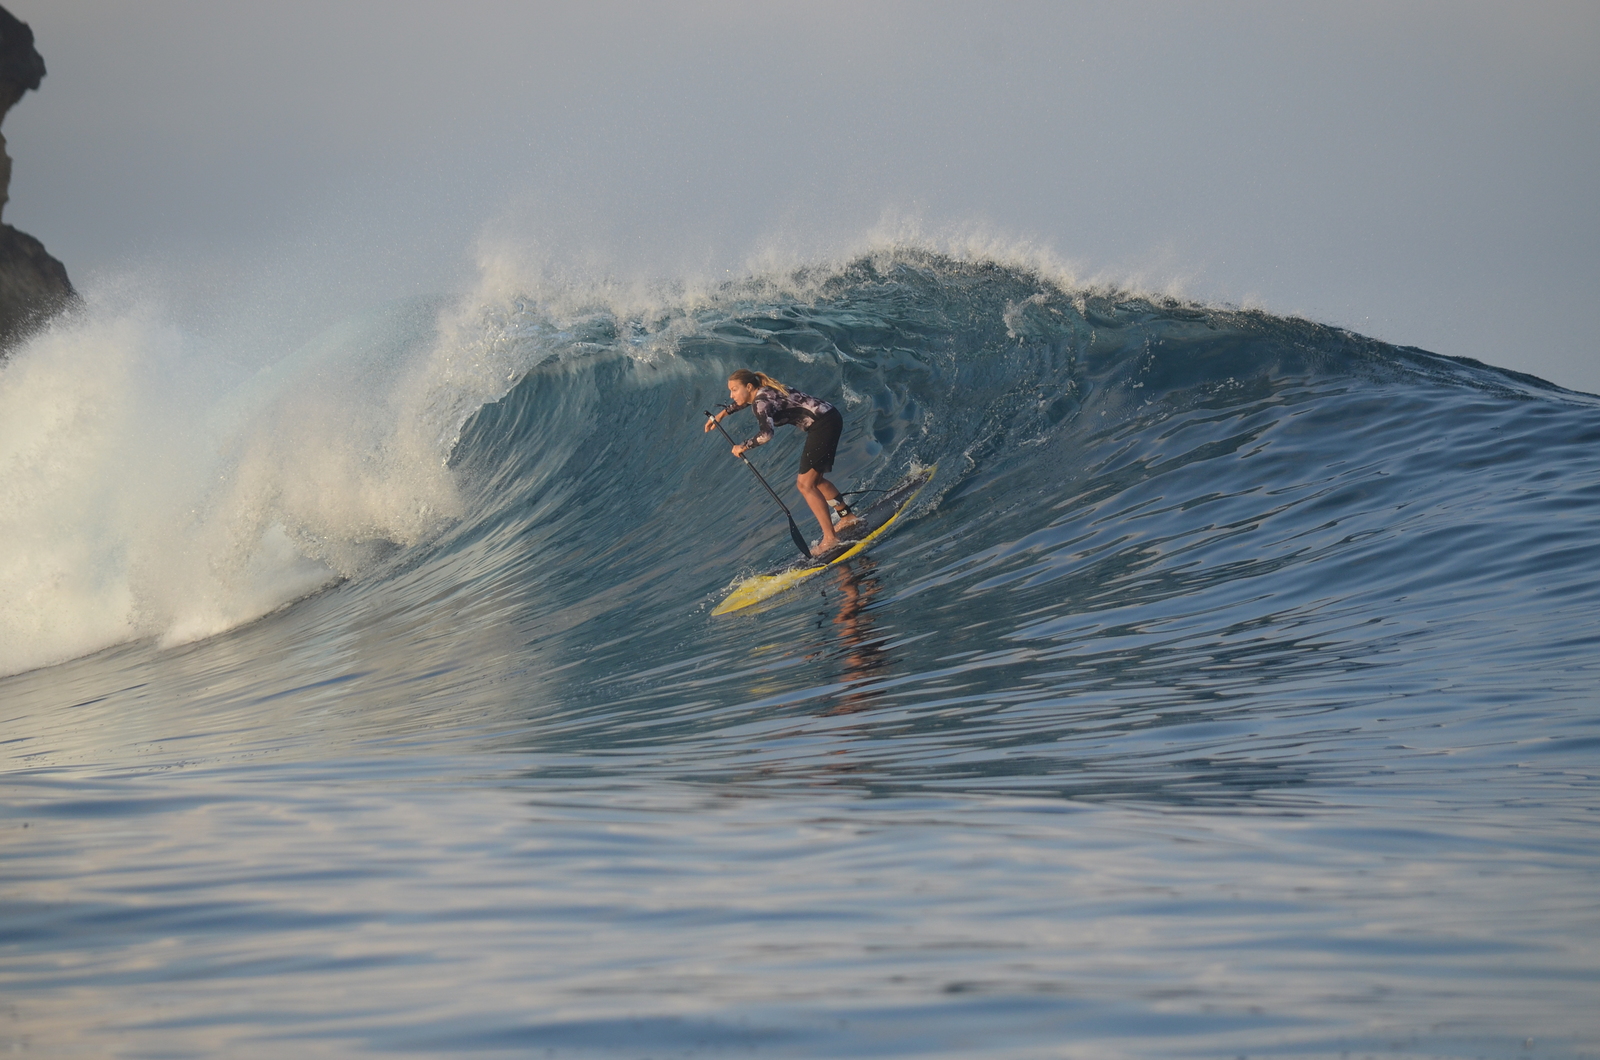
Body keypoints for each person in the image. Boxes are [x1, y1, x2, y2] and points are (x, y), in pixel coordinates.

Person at [705, 369, 858, 556]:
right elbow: (744, 401)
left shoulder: (761, 402)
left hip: (822, 425)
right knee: (815, 481)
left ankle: (830, 538)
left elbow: (766, 435)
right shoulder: (765, 390)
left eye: (734, 390)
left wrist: (742, 446)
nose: (731, 395)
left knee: (805, 485)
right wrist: (722, 414)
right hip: (829, 417)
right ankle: (847, 516)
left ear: (749, 387)